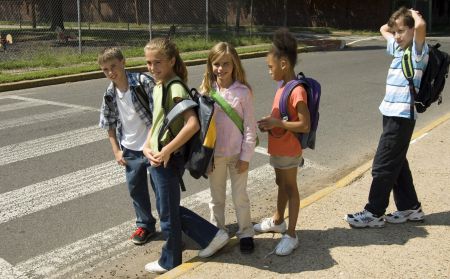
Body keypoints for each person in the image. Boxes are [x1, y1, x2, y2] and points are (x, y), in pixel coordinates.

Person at [142, 38, 229, 274]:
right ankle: (212, 236)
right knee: (167, 207)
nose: (152, 67)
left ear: (171, 61)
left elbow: (192, 124)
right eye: (149, 63)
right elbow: (158, 119)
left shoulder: (175, 86)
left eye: (158, 62)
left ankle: (170, 261)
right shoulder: (159, 85)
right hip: (156, 156)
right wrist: (146, 145)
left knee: (168, 213)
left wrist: (167, 149)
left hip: (168, 158)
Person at [344, 7, 428, 228]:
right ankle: (411, 208)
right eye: (396, 31)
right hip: (390, 113)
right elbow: (383, 28)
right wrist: (396, 24)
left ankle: (374, 212)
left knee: (383, 164)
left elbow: (420, 27)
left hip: (402, 115)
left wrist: (413, 13)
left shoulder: (418, 51)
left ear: (412, 30)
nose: (397, 35)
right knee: (397, 163)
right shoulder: (399, 49)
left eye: (402, 30)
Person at [254, 29, 310, 256]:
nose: (269, 71)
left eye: (270, 66)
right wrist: (270, 123)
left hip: (289, 149)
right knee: (281, 184)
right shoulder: (283, 86)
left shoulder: (297, 91)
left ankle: (292, 234)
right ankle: (278, 220)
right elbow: (283, 117)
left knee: (290, 188)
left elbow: (304, 125)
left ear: (284, 63)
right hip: (279, 148)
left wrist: (278, 122)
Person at [200, 42, 257, 254]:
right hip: (215, 157)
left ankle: (246, 232)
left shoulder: (243, 92)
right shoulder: (206, 91)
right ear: (210, 65)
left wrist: (246, 156)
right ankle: (218, 233)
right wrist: (205, 158)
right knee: (216, 198)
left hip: (237, 155)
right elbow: (202, 129)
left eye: (226, 64)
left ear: (234, 65)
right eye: (216, 64)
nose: (221, 69)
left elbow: (250, 127)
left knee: (240, 196)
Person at [98, 47, 158, 245]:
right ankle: (145, 225)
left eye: (113, 66)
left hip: (153, 146)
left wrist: (151, 142)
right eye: (105, 69)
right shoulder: (109, 93)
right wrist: (116, 150)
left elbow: (159, 114)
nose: (110, 72)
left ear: (123, 62)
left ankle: (170, 225)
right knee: (136, 189)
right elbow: (109, 123)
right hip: (130, 149)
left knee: (161, 189)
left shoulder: (143, 82)